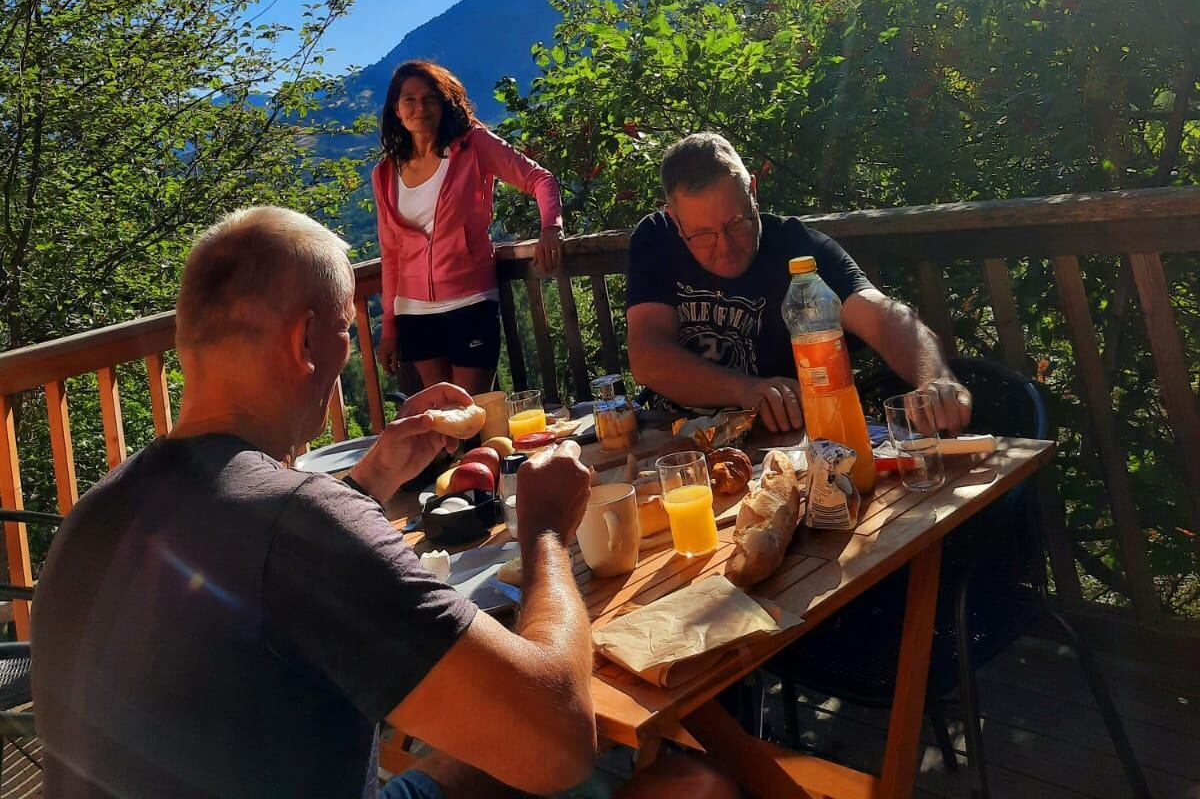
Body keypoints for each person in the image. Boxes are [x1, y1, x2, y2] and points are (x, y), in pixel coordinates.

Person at [33, 207, 736, 799]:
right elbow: (559, 741)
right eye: (346, 329)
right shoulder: (296, 523)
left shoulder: (96, 514)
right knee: (695, 785)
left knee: (476, 749)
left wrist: (369, 479)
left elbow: (259, 574)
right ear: (304, 341)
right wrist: (545, 531)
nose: (351, 349)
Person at [627, 133, 972, 435]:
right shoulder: (656, 237)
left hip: (781, 443)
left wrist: (935, 379)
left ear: (752, 191)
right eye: (703, 234)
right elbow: (646, 355)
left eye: (736, 223)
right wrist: (745, 390)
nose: (725, 247)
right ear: (674, 220)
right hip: (670, 437)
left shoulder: (798, 247)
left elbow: (884, 318)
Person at [373, 60, 564, 394]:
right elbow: (390, 254)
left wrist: (551, 228)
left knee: (473, 409)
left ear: (444, 103)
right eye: (410, 99)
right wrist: (389, 327)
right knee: (441, 415)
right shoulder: (386, 173)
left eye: (430, 98)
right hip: (413, 311)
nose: (420, 107)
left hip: (471, 300)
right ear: (396, 110)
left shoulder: (473, 144)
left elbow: (540, 179)